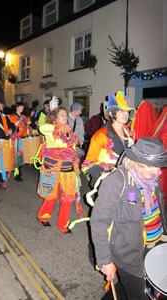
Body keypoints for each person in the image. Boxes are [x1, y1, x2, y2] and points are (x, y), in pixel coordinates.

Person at [91, 137, 167, 300]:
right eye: (151, 166)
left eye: (158, 166)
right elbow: (99, 223)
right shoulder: (116, 182)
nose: (157, 171)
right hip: (129, 255)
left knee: (126, 289)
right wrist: (105, 261)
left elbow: (159, 210)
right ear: (135, 162)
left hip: (155, 247)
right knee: (139, 294)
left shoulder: (153, 178)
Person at [36, 105, 81, 233]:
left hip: (68, 169)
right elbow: (42, 128)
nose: (65, 118)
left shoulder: (68, 131)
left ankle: (63, 225)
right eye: (61, 115)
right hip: (52, 168)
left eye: (66, 115)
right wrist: (60, 128)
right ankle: (43, 216)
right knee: (51, 195)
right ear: (55, 117)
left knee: (68, 197)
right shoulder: (51, 129)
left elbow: (71, 148)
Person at [82, 91, 135, 187]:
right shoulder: (100, 135)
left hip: (127, 178)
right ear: (111, 113)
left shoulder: (128, 132)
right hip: (107, 182)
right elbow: (88, 164)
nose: (125, 114)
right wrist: (105, 173)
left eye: (126, 111)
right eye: (120, 111)